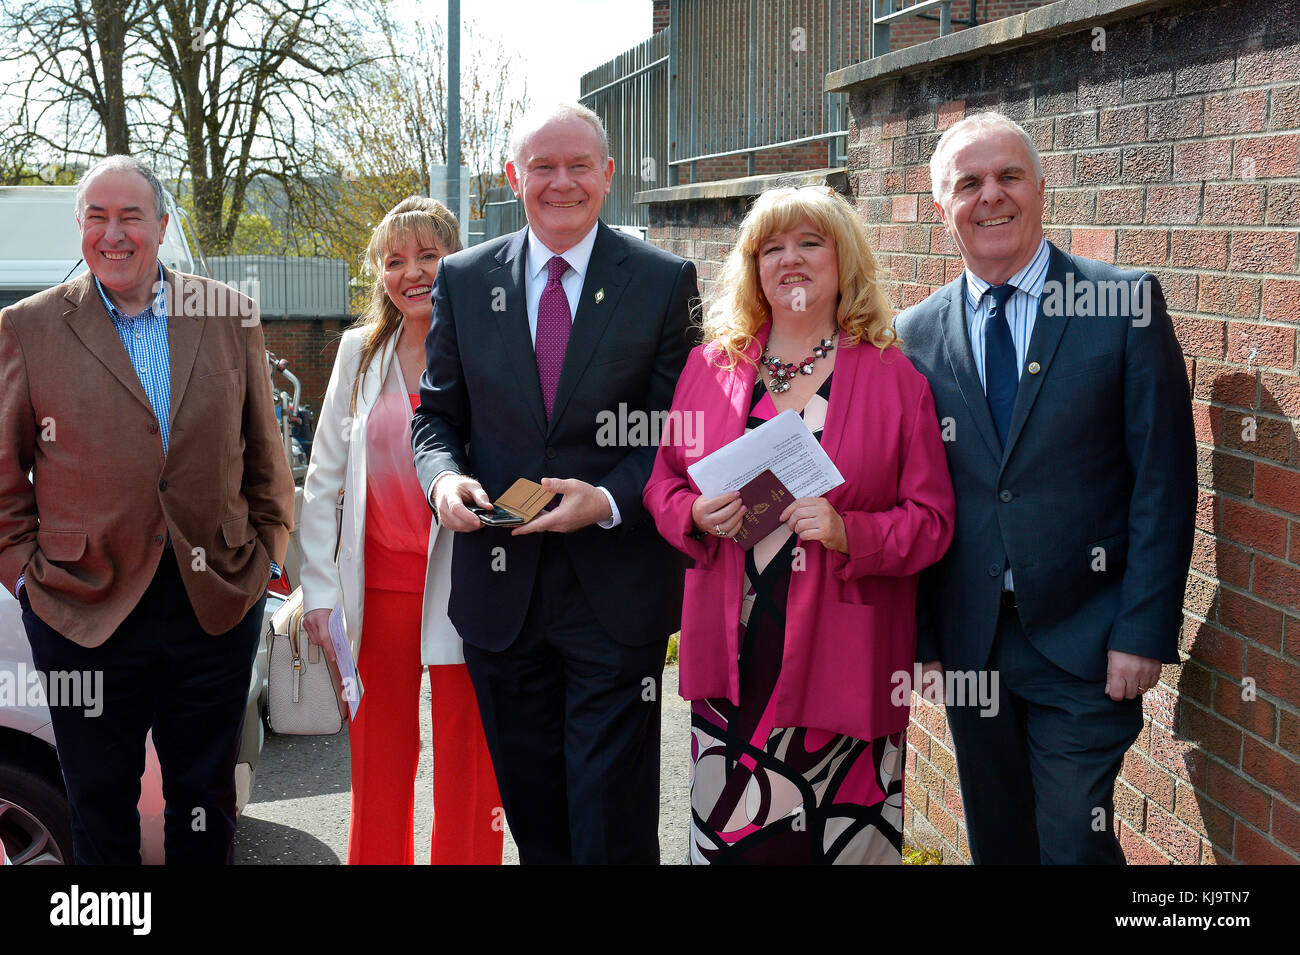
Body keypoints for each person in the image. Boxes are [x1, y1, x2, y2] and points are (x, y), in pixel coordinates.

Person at [894, 112, 1197, 864]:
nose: (991, 196)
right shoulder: (916, 332)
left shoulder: (1121, 304)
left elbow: (1164, 478)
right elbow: (918, 493)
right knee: (1001, 842)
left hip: (1088, 643)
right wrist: (926, 641)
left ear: (1040, 188)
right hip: (972, 647)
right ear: (944, 207)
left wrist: (1143, 629)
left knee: (1071, 840)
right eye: (969, 183)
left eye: (1009, 176)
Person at [411, 103, 698, 864]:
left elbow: (676, 429)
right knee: (537, 824)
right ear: (514, 177)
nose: (560, 182)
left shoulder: (665, 282)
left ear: (608, 176)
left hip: (615, 590)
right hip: (502, 594)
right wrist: (443, 486)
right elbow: (435, 420)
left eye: (579, 166)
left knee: (612, 821)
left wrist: (606, 500)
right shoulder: (466, 282)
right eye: (543, 166)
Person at [643, 186, 956, 864]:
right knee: (735, 844)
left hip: (844, 659)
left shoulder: (895, 377)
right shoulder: (711, 369)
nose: (791, 260)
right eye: (772, 248)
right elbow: (661, 484)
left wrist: (853, 533)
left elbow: (933, 522)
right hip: (733, 657)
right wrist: (693, 513)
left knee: (839, 845)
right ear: (753, 267)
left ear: (844, 259)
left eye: (810, 243)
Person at [0, 155, 295, 864]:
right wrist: (25, 581)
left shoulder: (227, 315)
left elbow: (266, 458)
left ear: (162, 224)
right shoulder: (29, 329)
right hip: (81, 609)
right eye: (96, 217)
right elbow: (5, 480)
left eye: (130, 215)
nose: (113, 233)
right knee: (99, 810)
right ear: (80, 229)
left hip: (215, 601)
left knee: (205, 805)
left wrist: (267, 558)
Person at [298, 196, 502, 865]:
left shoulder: (491, 344)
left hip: (470, 587)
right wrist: (320, 593)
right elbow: (323, 478)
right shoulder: (359, 354)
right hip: (377, 590)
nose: (411, 272)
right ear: (379, 273)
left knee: (470, 758)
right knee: (378, 756)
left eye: (428, 256)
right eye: (394, 260)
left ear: (457, 260)